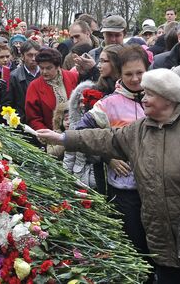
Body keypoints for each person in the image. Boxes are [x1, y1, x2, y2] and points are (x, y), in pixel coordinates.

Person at [36, 68, 180, 284]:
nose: (143, 97)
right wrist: (63, 138)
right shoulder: (140, 130)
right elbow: (105, 139)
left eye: (150, 94)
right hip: (162, 240)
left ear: (168, 99)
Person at [67, 46, 150, 260]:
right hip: (126, 189)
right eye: (128, 74)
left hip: (155, 188)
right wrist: (108, 156)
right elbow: (81, 133)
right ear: (119, 74)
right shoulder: (108, 104)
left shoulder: (159, 98)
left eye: (139, 73)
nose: (134, 79)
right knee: (135, 249)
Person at [25, 48, 79, 130]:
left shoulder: (73, 77)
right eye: (41, 68)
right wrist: (47, 136)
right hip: (50, 135)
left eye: (48, 68)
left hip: (75, 132)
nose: (44, 72)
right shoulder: (34, 86)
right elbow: (33, 118)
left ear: (57, 67)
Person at [1, 39, 41, 120]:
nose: (33, 58)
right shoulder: (14, 77)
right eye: (30, 55)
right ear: (23, 56)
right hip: (23, 122)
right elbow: (7, 103)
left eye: (36, 55)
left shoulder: (45, 74)